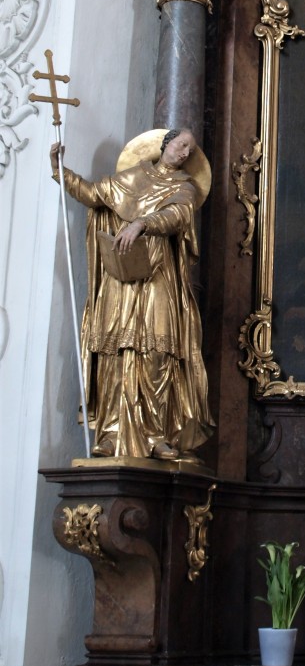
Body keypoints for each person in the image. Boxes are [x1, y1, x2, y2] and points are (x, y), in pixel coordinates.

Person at [51, 128, 214, 460]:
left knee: (158, 350)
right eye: (181, 145)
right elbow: (93, 194)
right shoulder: (132, 176)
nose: (184, 153)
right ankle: (112, 431)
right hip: (122, 274)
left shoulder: (185, 187)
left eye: (190, 150)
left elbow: (176, 216)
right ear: (166, 144)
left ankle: (156, 434)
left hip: (158, 274)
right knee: (118, 351)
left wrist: (141, 223)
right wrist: (59, 170)